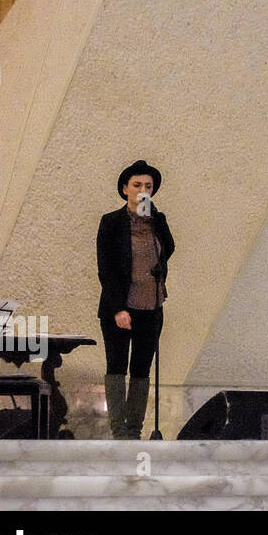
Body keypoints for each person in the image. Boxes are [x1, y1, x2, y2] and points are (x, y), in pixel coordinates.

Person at [96, 159, 174, 440]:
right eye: (137, 185)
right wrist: (118, 308)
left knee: (141, 369)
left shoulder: (158, 219)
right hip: (119, 307)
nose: (143, 190)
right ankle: (119, 432)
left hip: (151, 305)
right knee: (117, 366)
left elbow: (169, 248)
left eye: (148, 186)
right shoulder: (111, 222)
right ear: (124, 188)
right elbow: (105, 268)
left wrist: (153, 217)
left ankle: (134, 430)